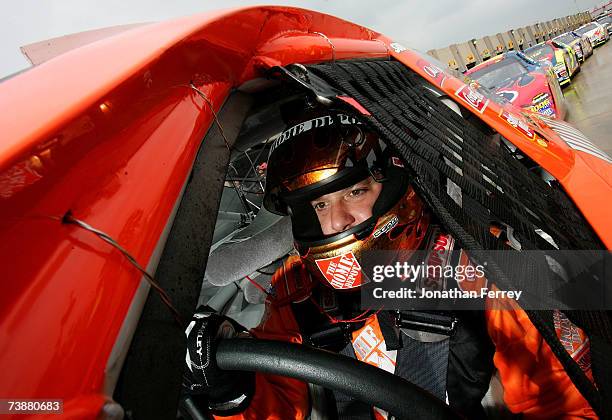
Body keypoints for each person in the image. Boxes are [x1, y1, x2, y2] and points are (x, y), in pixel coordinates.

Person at [183, 111, 595, 419]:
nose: (336, 222)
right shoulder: (296, 286)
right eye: (319, 205)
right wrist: (232, 391)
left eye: (355, 191)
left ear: (395, 185)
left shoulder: (483, 265)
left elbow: (565, 404)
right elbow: (279, 403)